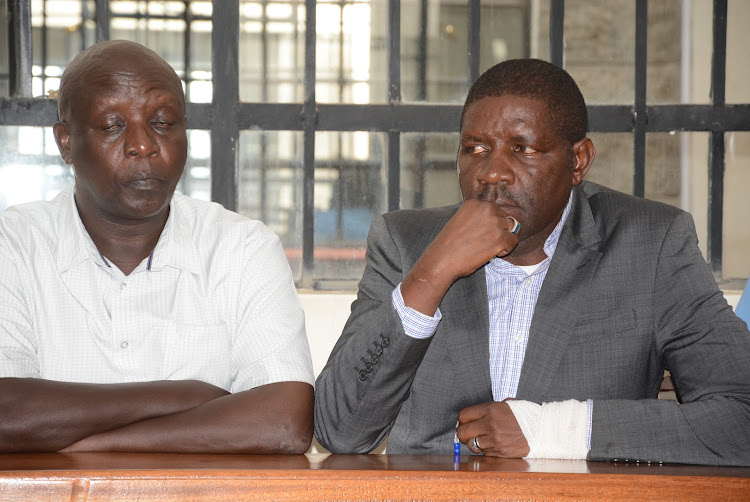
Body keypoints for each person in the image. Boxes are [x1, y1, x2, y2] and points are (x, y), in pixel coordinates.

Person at [313, 59, 750, 466]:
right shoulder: (406, 242)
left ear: (578, 161)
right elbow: (340, 432)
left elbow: (741, 417)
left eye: (522, 149)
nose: (492, 172)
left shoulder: (650, 243)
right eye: (476, 148)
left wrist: (554, 430)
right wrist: (432, 272)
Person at [0, 40, 314, 453]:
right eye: (113, 125)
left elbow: (284, 422)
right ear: (65, 143)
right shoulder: (15, 245)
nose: (143, 145)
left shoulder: (242, 248)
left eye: (163, 122)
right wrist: (182, 394)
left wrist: (94, 447)